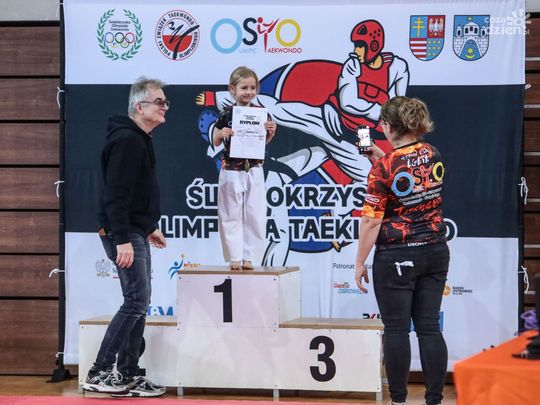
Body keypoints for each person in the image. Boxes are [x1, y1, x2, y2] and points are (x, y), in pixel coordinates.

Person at [355, 96, 449, 405]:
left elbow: (371, 221)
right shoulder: (432, 152)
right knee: (429, 328)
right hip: (435, 249)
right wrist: (380, 157)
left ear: (387, 126)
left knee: (396, 330)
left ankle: (398, 401)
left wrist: (359, 261)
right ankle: (435, 400)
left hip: (397, 254)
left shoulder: (383, 168)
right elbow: (410, 177)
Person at [82, 77, 169, 397]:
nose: (164, 107)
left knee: (139, 303)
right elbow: (115, 196)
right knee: (135, 301)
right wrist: (122, 239)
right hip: (124, 233)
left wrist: (148, 226)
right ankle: (99, 371)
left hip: (134, 229)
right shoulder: (128, 140)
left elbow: (135, 192)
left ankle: (128, 374)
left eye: (165, 102)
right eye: (158, 102)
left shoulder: (139, 138)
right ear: (139, 106)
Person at [211, 66, 277, 270]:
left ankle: (250, 258)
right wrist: (221, 133)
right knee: (230, 213)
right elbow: (215, 141)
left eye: (252, 88)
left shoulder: (261, 113)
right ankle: (234, 257)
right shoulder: (226, 113)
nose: (249, 92)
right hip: (231, 169)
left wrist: (270, 133)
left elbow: (262, 143)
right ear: (233, 89)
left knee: (255, 213)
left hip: (254, 168)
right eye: (244, 88)